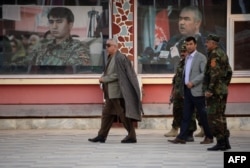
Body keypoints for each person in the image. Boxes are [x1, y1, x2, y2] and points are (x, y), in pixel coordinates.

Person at [88, 39, 143, 143]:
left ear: (115, 46)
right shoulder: (111, 57)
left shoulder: (120, 58)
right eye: (106, 45)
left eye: (108, 45)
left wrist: (104, 79)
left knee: (122, 114)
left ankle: (132, 135)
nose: (106, 48)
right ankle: (101, 135)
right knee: (106, 114)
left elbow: (119, 74)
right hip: (110, 92)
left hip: (117, 93)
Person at [168, 36, 213, 144]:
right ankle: (182, 137)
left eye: (190, 44)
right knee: (186, 115)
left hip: (197, 91)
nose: (188, 46)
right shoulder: (187, 58)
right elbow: (184, 74)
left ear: (195, 45)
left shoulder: (201, 57)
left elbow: (204, 73)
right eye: (187, 44)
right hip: (187, 92)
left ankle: (209, 136)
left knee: (202, 115)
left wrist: (193, 82)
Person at [203, 34, 232, 151]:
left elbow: (214, 74)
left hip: (215, 91)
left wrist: (210, 89)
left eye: (207, 42)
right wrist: (224, 85)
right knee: (221, 116)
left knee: (214, 117)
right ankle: (225, 142)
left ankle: (220, 142)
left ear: (213, 43)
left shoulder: (215, 55)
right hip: (222, 90)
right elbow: (229, 71)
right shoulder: (223, 53)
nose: (206, 44)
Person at [164, 43, 197, 142]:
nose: (183, 54)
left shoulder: (191, 63)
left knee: (189, 113)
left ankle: (190, 133)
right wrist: (173, 92)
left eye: (185, 52)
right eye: (182, 52)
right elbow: (177, 79)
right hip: (178, 92)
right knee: (177, 111)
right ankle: (175, 129)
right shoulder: (181, 63)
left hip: (187, 92)